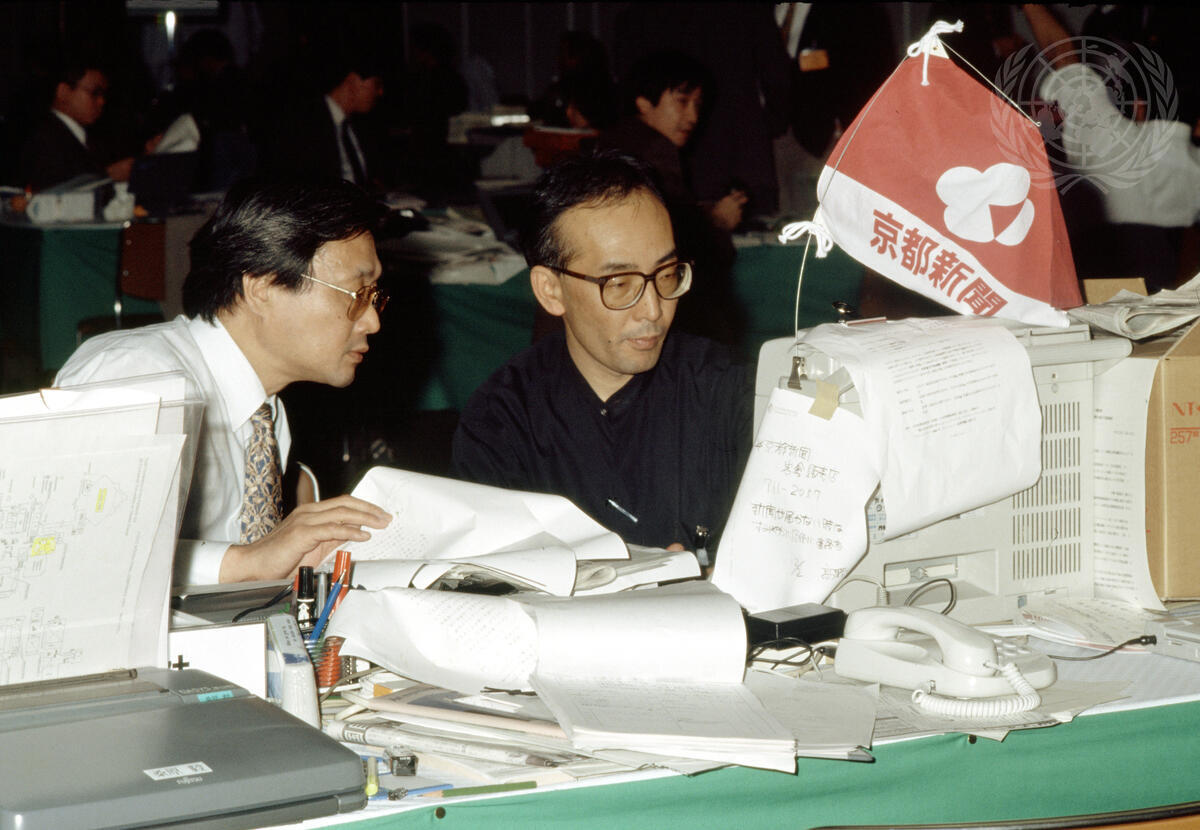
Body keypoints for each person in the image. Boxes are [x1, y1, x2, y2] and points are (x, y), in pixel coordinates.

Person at [56, 178, 392, 584]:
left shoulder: (266, 413)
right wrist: (245, 563)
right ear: (263, 287)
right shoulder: (140, 376)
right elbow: (77, 554)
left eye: (375, 297)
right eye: (356, 294)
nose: (372, 321)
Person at [451, 151, 753, 553]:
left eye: (666, 275)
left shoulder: (731, 391)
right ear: (550, 290)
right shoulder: (503, 420)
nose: (653, 310)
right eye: (620, 284)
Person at [17, 55, 154, 191]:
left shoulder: (91, 137)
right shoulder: (44, 138)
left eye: (103, 95)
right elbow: (52, 193)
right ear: (63, 92)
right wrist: (108, 176)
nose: (102, 102)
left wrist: (145, 158)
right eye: (95, 93)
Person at [259, 52, 386, 189]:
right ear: (353, 80)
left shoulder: (360, 126)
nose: (380, 92)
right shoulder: (302, 124)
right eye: (377, 84)